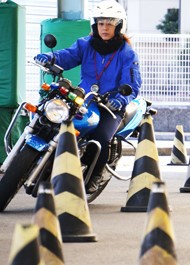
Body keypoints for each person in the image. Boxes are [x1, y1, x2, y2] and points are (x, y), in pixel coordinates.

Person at [34, 0, 142, 192]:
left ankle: (94, 176)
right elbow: (68, 56)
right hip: (85, 98)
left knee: (101, 137)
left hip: (110, 104)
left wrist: (121, 99)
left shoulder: (127, 53)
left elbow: (132, 85)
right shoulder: (86, 44)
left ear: (119, 26)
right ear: (95, 25)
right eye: (101, 23)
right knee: (50, 119)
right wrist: (51, 57)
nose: (105, 27)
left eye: (109, 23)